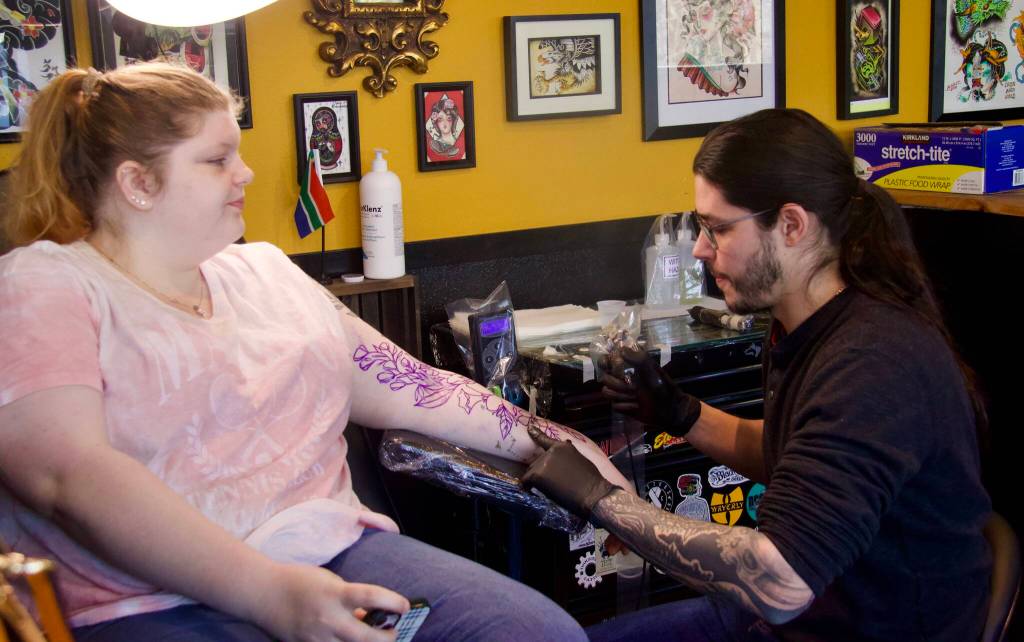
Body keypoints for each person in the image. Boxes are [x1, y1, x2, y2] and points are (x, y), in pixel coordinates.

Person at [0, 62, 634, 642]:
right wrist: (267, 592)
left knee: (534, 634)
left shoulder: (264, 271)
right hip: (145, 598)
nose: (245, 174)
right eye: (218, 159)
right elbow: (67, 476)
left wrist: (555, 442)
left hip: (326, 546)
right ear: (138, 182)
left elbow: (415, 386)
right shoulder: (45, 284)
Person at [523, 108, 993, 642]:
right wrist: (681, 414)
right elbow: (791, 452)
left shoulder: (873, 363)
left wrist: (604, 500)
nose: (701, 249)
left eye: (718, 229)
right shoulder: (800, 324)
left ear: (791, 225)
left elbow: (780, 582)